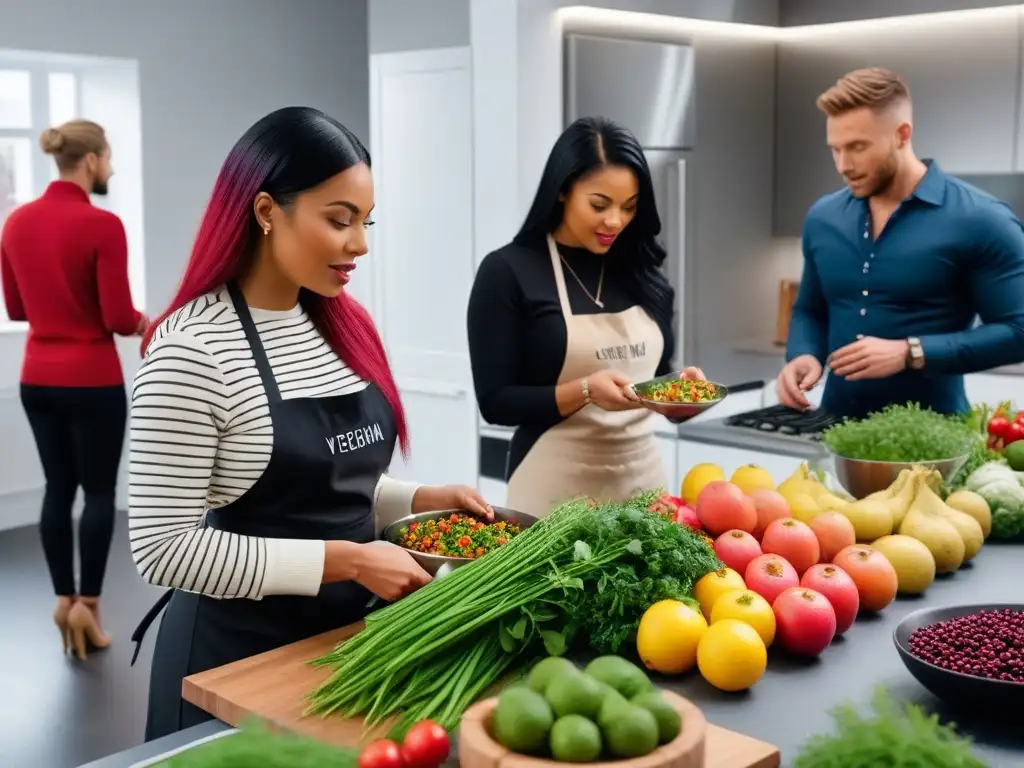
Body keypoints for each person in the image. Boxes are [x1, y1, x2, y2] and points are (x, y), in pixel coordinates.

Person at [130, 106, 494, 740]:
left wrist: (417, 500)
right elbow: (164, 549)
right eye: (339, 220)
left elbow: (319, 483)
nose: (361, 244)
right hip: (232, 662)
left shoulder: (335, 325)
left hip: (343, 649)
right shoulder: (192, 349)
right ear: (267, 211)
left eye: (366, 221)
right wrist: (349, 562)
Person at [467, 116, 703, 519]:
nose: (615, 221)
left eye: (629, 207)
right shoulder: (508, 271)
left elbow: (653, 376)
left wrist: (676, 393)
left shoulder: (642, 272)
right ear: (562, 191)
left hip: (644, 485)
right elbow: (496, 402)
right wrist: (586, 390)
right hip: (551, 489)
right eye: (599, 204)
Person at [780, 67, 1024, 418]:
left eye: (858, 147)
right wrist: (803, 354)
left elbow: (1018, 331)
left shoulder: (983, 220)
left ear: (902, 134)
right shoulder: (823, 217)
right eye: (835, 149)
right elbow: (811, 310)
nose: (844, 165)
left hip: (935, 443)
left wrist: (911, 352)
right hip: (835, 434)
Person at [0, 119, 147, 661]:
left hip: (37, 378)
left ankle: (63, 601)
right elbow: (116, 315)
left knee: (56, 490)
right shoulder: (102, 225)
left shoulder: (16, 223)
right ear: (91, 161)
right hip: (92, 380)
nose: (110, 167)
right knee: (100, 494)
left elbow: (17, 309)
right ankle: (91, 606)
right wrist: (144, 323)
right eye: (108, 158)